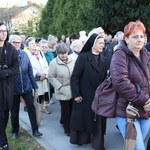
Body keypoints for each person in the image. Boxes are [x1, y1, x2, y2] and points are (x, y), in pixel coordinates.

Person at [110, 20, 150, 150]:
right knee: (139, 147)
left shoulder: (146, 54)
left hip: (146, 112)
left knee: (135, 146)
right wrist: (145, 99)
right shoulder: (119, 55)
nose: (140, 40)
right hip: (127, 111)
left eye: (142, 36)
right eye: (135, 36)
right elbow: (121, 83)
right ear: (126, 39)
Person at [70, 33, 108, 150]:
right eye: (100, 43)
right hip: (84, 94)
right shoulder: (83, 57)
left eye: (103, 43)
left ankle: (97, 143)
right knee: (83, 118)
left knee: (98, 120)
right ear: (93, 44)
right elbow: (75, 76)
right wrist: (76, 94)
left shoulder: (103, 58)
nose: (103, 45)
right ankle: (82, 139)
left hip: (98, 96)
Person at [9, 35, 42, 138]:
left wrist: (34, 85)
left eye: (18, 42)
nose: (17, 44)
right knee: (14, 111)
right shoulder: (5, 56)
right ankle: (15, 131)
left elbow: (30, 71)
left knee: (31, 108)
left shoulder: (25, 55)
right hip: (13, 88)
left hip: (26, 87)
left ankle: (35, 130)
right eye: (14, 42)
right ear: (10, 43)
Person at [48, 43, 75, 136]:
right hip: (62, 89)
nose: (63, 55)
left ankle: (65, 121)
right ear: (57, 53)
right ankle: (67, 129)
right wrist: (59, 86)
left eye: (65, 53)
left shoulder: (73, 60)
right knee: (65, 110)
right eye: (61, 53)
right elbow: (51, 77)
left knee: (72, 108)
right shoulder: (53, 63)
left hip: (72, 88)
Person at [0, 23, 19, 150]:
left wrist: (5, 73)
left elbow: (15, 66)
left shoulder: (10, 48)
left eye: (5, 31)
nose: (3, 33)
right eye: (1, 31)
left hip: (6, 85)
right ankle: (3, 141)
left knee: (5, 114)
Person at [25, 37, 50, 116]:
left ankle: (38, 117)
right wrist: (38, 74)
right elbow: (27, 68)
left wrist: (45, 73)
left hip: (43, 80)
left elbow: (46, 65)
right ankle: (35, 120)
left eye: (35, 43)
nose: (34, 45)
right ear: (27, 46)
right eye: (32, 43)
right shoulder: (26, 55)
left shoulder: (40, 53)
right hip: (34, 81)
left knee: (41, 98)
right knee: (35, 101)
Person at [39, 39, 55, 105]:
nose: (44, 48)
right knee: (43, 93)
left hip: (50, 75)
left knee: (50, 91)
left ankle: (46, 104)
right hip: (42, 75)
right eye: (43, 47)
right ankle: (43, 106)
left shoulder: (50, 54)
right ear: (39, 46)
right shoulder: (37, 54)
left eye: (46, 47)